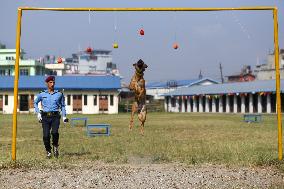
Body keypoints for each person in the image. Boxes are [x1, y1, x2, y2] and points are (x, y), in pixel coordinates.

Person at [34, 76, 68, 158]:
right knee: (46, 135)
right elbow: (35, 103)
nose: (52, 84)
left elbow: (63, 106)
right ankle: (48, 151)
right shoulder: (42, 94)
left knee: (54, 133)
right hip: (45, 117)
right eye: (50, 82)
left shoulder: (59, 94)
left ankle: (55, 146)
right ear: (47, 83)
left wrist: (64, 116)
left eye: (53, 82)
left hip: (55, 116)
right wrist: (38, 113)